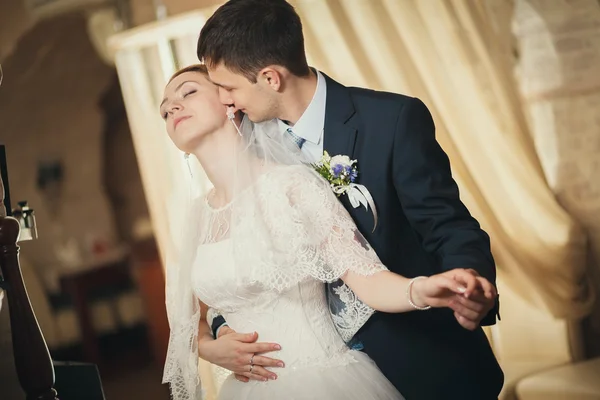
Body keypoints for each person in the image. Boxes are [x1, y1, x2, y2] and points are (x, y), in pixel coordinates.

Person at [195, 1, 504, 399]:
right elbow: (247, 264)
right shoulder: (249, 149)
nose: (226, 102)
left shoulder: (390, 121)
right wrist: (224, 332)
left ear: (271, 77)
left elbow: (448, 225)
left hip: (419, 359)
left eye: (229, 87)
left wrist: (469, 285)